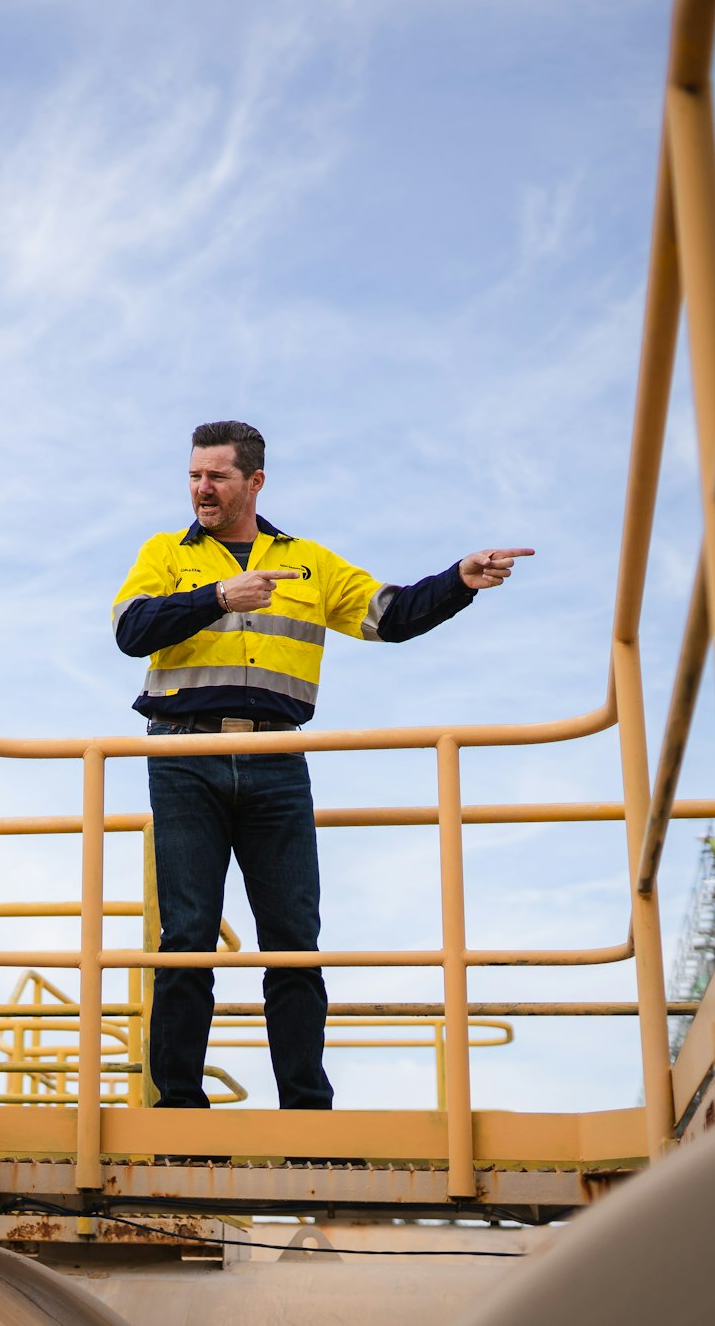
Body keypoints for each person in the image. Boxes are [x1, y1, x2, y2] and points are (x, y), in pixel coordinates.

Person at [112, 420, 533, 1109]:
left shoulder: (307, 561)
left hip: (278, 761)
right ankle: (179, 1106)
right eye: (193, 475)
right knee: (185, 935)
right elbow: (132, 632)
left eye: (216, 476)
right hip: (184, 753)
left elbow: (389, 615)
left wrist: (460, 581)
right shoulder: (164, 553)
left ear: (255, 481)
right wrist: (219, 597)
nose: (201, 488)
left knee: (294, 942)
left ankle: (307, 1108)